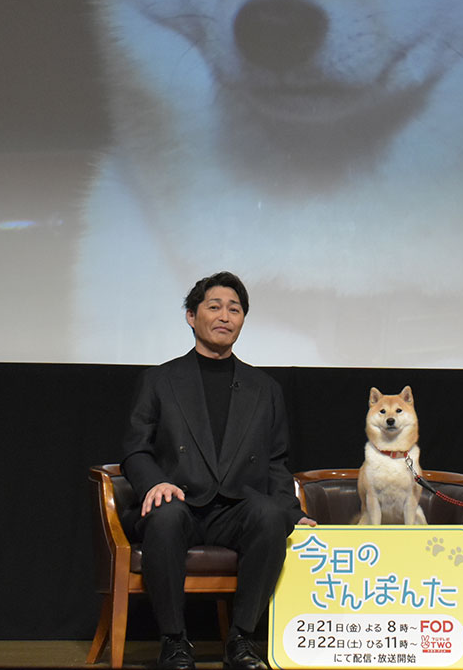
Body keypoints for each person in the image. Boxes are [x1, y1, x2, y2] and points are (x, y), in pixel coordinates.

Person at [121, 271, 316, 670]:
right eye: (214, 307)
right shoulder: (159, 380)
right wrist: (154, 482)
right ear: (192, 316)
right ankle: (174, 642)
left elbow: (277, 463)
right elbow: (135, 450)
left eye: (235, 309)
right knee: (166, 515)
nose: (225, 316)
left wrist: (292, 513)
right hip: (180, 503)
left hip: (235, 509)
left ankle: (242, 640)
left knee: (269, 514)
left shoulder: (265, 389)